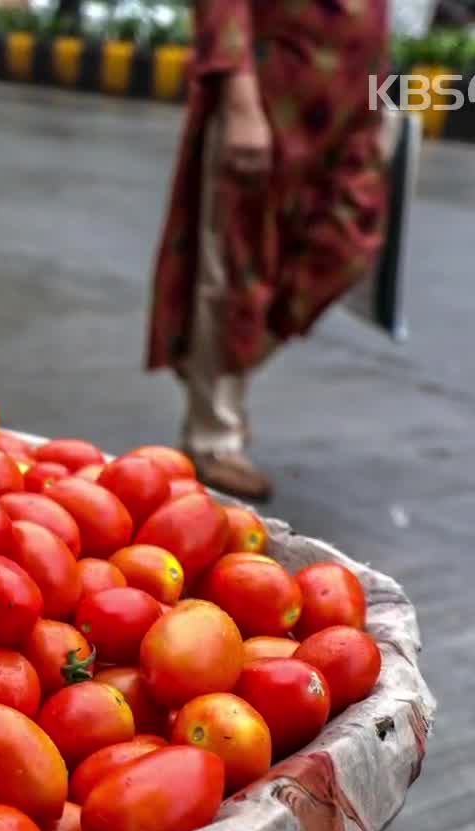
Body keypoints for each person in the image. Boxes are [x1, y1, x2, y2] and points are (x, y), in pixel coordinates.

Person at [144, 0, 391, 499]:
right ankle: (212, 435)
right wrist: (239, 102)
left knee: (345, 247)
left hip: (346, 115)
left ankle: (213, 373)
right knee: (237, 264)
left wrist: (382, 105)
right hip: (266, 103)